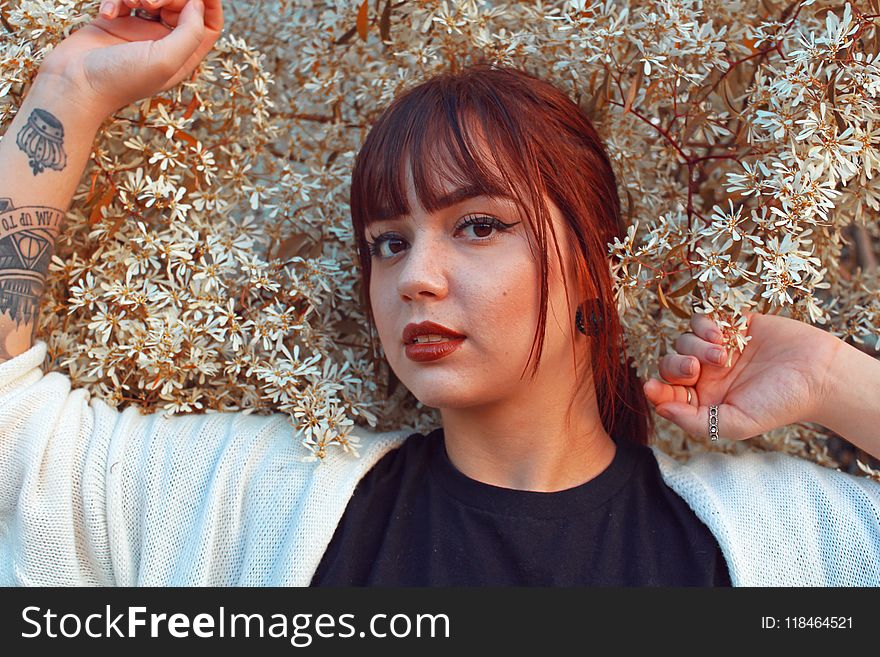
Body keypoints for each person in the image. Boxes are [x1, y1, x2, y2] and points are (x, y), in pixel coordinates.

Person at [0, 0, 878, 587]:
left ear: (594, 259)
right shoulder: (265, 499)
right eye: (387, 241)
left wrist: (834, 379)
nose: (413, 276)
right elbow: (17, 441)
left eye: (479, 225)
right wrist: (71, 89)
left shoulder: (773, 544)